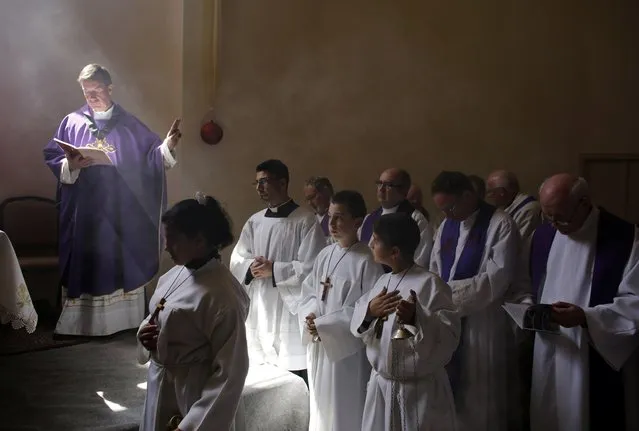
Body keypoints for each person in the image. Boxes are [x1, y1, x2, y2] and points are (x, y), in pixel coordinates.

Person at [43, 63, 181, 336]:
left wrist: (167, 147)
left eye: (96, 90)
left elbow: (152, 156)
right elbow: (53, 155)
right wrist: (72, 164)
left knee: (117, 258)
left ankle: (122, 323)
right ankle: (82, 325)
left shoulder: (129, 124)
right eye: (86, 92)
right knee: (86, 260)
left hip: (120, 210)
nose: (92, 97)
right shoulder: (72, 122)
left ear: (109, 88)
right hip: (84, 209)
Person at [528, 174, 639, 431]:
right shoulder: (543, 237)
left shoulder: (625, 238)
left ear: (584, 203)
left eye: (561, 217)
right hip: (548, 346)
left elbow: (634, 302)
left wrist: (586, 317)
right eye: (548, 216)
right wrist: (526, 306)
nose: (555, 225)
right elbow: (526, 285)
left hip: (594, 352)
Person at [137, 194, 249, 431]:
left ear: (199, 241)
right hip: (162, 384)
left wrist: (193, 425)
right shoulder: (175, 275)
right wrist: (146, 334)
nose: (166, 246)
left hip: (192, 394)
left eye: (173, 239)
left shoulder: (223, 295)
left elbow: (231, 372)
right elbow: (160, 312)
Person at [351, 213, 459, 430]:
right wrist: (370, 312)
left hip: (418, 393)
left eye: (376, 239)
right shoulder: (383, 280)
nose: (370, 243)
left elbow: (448, 338)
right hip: (382, 386)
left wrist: (416, 320)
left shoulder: (430, 284)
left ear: (394, 252)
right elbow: (360, 325)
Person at [430, 171, 520, 431]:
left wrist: (445, 297)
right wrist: (438, 296)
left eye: (450, 207)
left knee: (480, 397)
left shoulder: (500, 224)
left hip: (482, 323)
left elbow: (496, 279)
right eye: (442, 209)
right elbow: (434, 269)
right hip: (447, 321)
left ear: (468, 196)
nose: (446, 215)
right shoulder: (447, 225)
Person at [230, 159, 325, 384]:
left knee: (291, 374)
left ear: (282, 183)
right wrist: (250, 268)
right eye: (256, 183)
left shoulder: (305, 220)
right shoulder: (255, 221)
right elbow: (237, 258)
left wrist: (275, 270)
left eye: (264, 182)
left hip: (288, 307)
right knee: (262, 371)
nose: (259, 188)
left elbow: (313, 265)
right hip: (261, 303)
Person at [298, 190, 385, 431]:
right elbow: (311, 293)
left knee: (344, 409)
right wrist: (312, 314)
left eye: (339, 217)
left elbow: (366, 310)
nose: (331, 223)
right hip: (320, 347)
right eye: (329, 216)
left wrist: (325, 325)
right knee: (321, 407)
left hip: (347, 354)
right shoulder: (325, 254)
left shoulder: (367, 261)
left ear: (357, 222)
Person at [359, 168, 433, 269]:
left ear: (404, 191)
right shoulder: (369, 218)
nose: (381, 189)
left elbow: (420, 260)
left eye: (388, 185)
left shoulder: (415, 220)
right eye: (379, 183)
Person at [486, 169, 541, 241]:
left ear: (501, 192)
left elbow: (517, 243)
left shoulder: (529, 210)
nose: (489, 196)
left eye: (490, 192)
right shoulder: (507, 207)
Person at [304, 176, 334, 240]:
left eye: (312, 197)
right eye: (307, 199)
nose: (309, 203)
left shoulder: (338, 219)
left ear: (325, 193)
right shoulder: (309, 220)